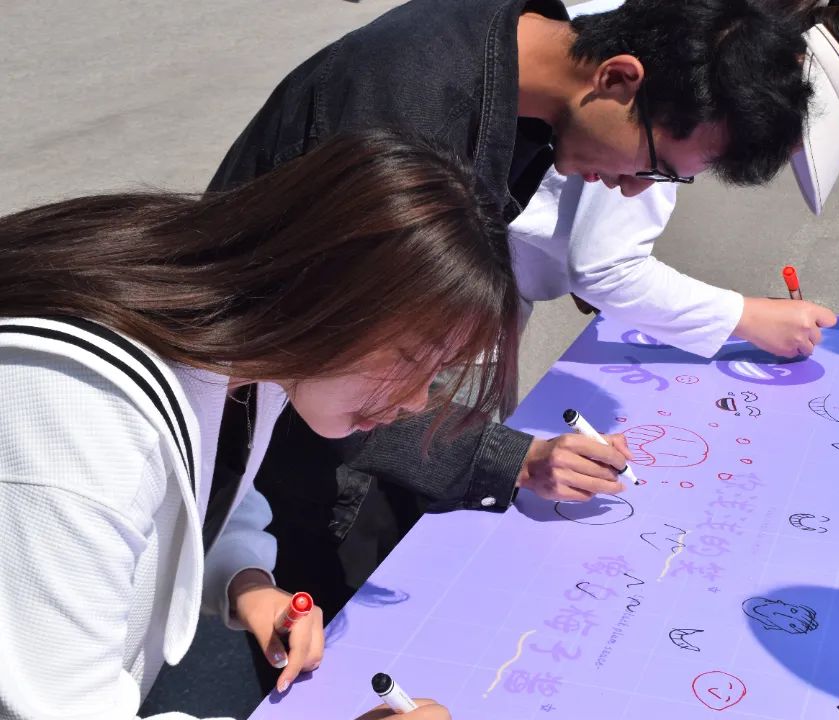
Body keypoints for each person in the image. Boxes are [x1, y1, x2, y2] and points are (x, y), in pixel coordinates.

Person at [208, 1, 818, 687]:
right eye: (654, 165)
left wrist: (503, 455)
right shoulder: (405, 114)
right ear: (619, 78)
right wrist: (504, 457)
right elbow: (345, 376)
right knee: (334, 658)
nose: (631, 189)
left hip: (305, 424)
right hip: (280, 448)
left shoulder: (509, 70)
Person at [0, 130, 530, 719]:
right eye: (411, 359)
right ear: (326, 288)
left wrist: (244, 577)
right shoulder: (80, 417)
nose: (414, 401)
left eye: (439, 372)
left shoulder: (245, 348)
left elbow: (199, 483)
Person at [510, 0, 839, 358]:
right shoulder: (680, 88)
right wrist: (747, 318)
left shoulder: (653, 29)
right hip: (482, 280)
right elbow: (604, 266)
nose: (628, 186)